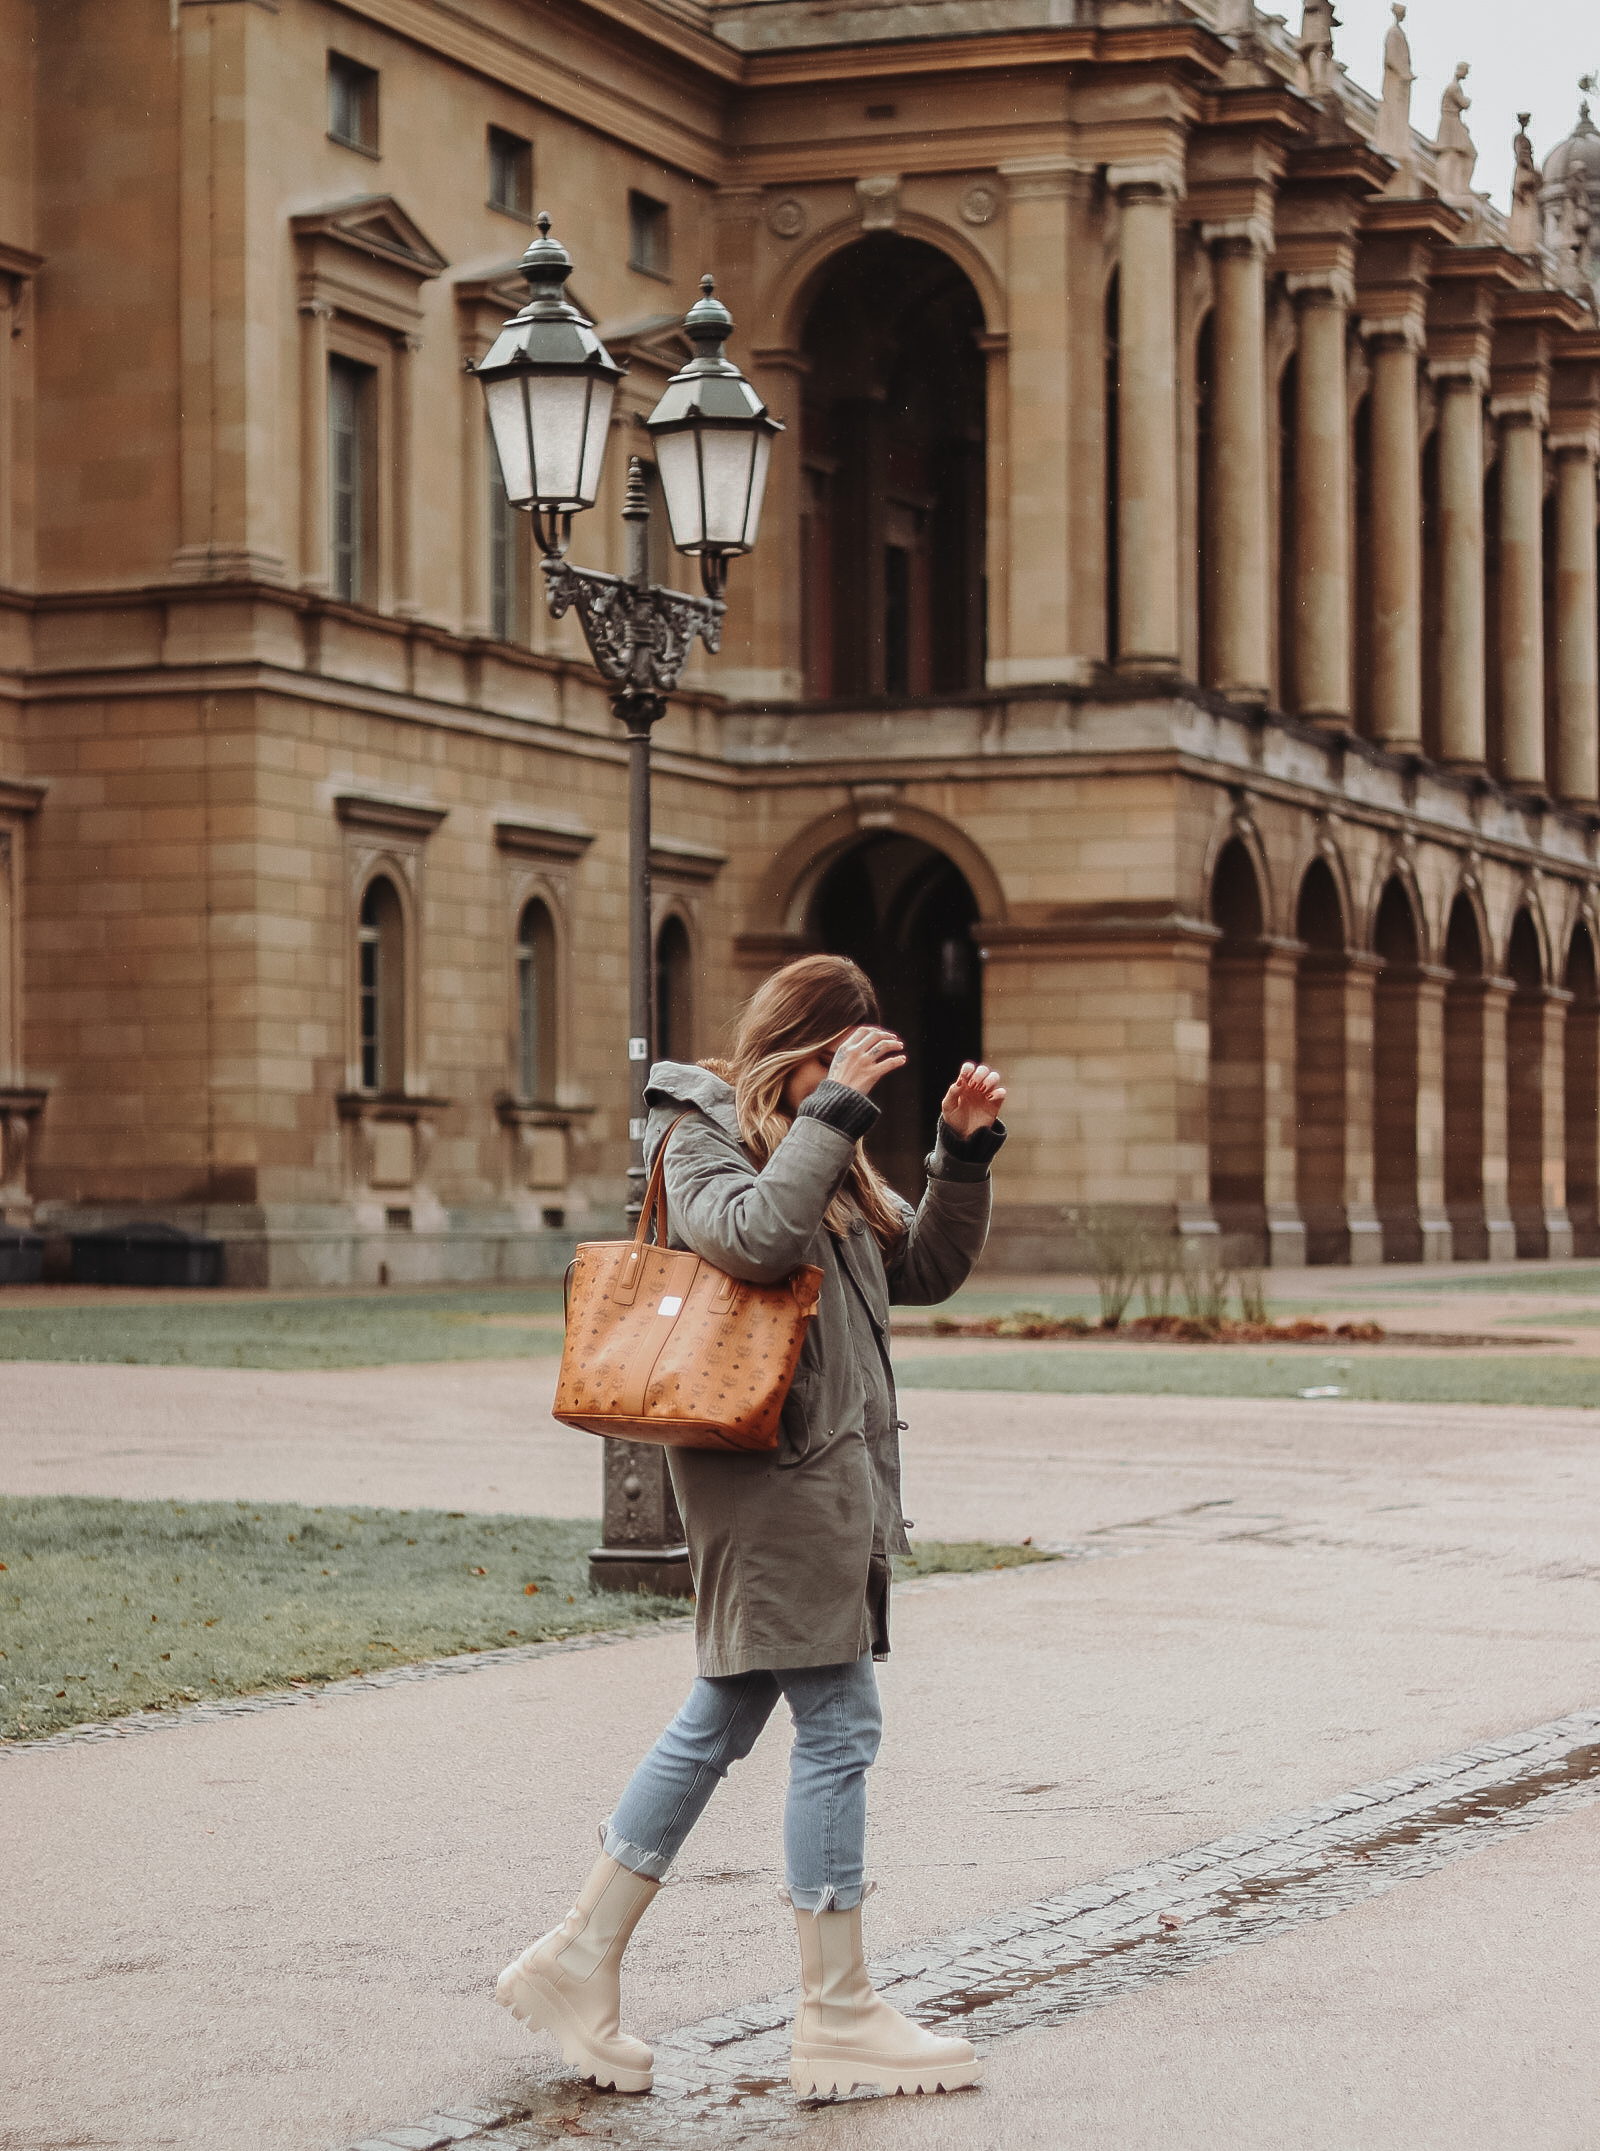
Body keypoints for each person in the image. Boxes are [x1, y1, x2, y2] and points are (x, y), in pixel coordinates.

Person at [497, 953, 1007, 2100]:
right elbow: (750, 1241)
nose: (854, 1087)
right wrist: (834, 1111)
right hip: (771, 1476)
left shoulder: (815, 1144)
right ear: (802, 1048)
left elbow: (919, 1266)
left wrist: (958, 1152)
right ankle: (834, 2017)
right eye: (845, 1059)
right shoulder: (700, 1128)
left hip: (825, 1475)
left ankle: (577, 1959)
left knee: (725, 1712)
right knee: (838, 1727)